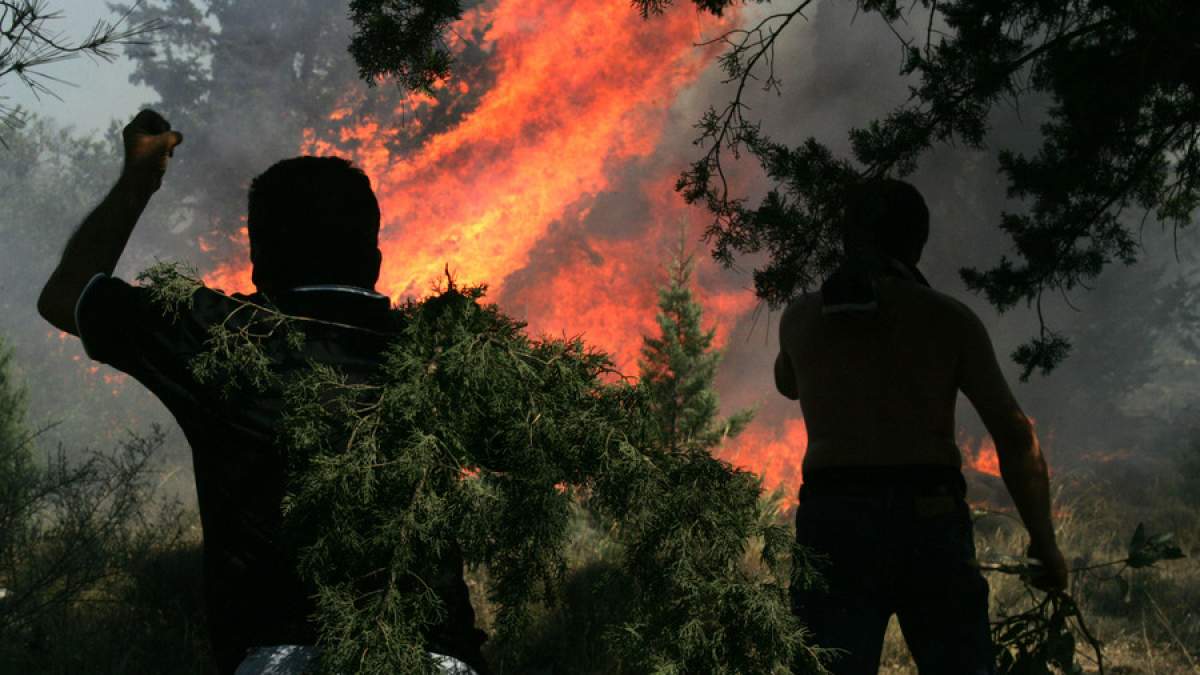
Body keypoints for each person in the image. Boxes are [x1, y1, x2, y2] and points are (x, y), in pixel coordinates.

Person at [37, 110, 488, 675]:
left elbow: (66, 295)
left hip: (281, 656)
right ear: (375, 260)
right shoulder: (444, 356)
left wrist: (140, 180)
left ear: (257, 264)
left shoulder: (218, 336)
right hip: (435, 656)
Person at [774, 179, 1069, 675]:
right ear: (917, 242)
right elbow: (1015, 435)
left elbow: (787, 384)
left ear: (847, 239)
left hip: (833, 519)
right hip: (928, 519)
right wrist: (1044, 541)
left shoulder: (801, 318)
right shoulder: (948, 320)